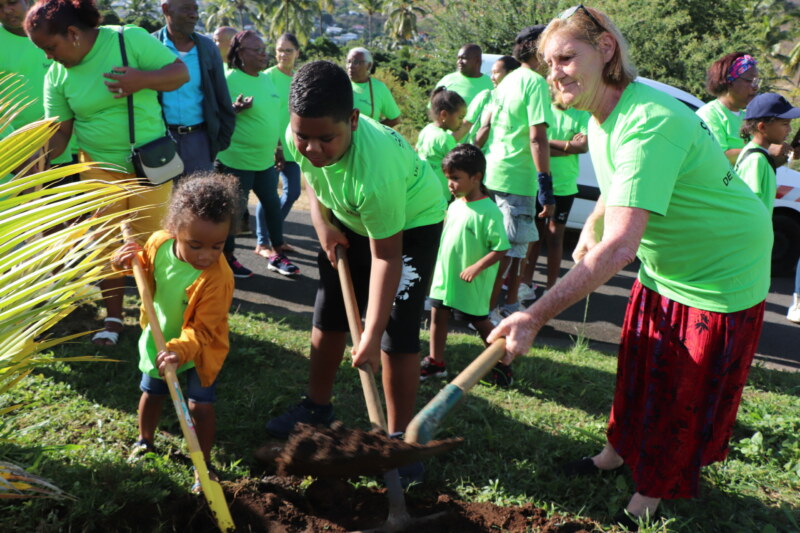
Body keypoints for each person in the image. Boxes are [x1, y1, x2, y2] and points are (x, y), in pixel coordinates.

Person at [489, 6, 772, 530]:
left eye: (568, 58)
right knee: (640, 368)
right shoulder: (603, 116)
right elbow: (620, 189)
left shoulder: (650, 122)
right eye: (550, 64)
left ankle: (647, 499)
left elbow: (621, 249)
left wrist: (532, 316)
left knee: (678, 392)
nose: (556, 73)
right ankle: (613, 456)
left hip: (722, 270)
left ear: (606, 51)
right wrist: (594, 223)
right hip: (668, 265)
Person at [266, 61, 446, 484]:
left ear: (352, 119)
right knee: (329, 310)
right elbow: (311, 177)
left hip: (409, 224)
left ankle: (399, 440)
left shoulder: (376, 170)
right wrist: (323, 224)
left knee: (395, 333)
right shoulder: (301, 135)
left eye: (325, 138)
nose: (311, 148)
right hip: (345, 218)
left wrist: (367, 335)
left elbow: (388, 258)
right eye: (302, 136)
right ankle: (316, 407)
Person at [26, 0, 189, 346]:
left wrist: (142, 79)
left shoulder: (127, 40)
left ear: (72, 33)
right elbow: (59, 133)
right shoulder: (56, 75)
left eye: (50, 47)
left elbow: (179, 73)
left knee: (155, 243)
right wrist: (33, 165)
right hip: (98, 169)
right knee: (107, 246)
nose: (48, 56)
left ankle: (158, 317)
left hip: (149, 166)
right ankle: (113, 317)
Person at [112, 173, 236, 493]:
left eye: (217, 246)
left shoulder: (218, 277)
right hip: (158, 339)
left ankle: (203, 464)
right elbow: (142, 269)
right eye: (195, 245)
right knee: (152, 392)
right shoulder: (159, 242)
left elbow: (203, 329)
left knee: (199, 406)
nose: (206, 255)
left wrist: (180, 352)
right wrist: (121, 261)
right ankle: (145, 441)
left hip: (198, 349)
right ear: (174, 230)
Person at [479, 24, 554, 339]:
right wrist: (546, 189)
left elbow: (488, 128)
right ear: (540, 50)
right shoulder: (535, 84)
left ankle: (506, 305)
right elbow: (538, 139)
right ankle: (491, 312)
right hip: (516, 178)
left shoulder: (506, 82)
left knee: (507, 248)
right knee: (509, 251)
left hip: (494, 173)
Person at [420, 144, 509, 381]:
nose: (450, 183)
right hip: (445, 278)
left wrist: (476, 267)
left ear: (476, 177)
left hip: (470, 282)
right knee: (437, 315)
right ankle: (436, 362)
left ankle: (503, 361)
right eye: (448, 178)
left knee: (480, 323)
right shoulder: (456, 203)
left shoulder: (489, 211)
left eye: (456, 178)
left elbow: (501, 248)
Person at [216, 30, 299, 279]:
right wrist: (234, 109)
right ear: (240, 53)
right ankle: (228, 260)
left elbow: (272, 117)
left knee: (273, 207)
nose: (264, 54)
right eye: (257, 50)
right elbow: (214, 115)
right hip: (235, 160)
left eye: (264, 49)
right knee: (233, 212)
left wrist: (278, 148)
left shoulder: (266, 79)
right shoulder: (228, 79)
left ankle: (276, 254)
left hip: (265, 160)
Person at [154, 0, 235, 178]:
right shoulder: (150, 45)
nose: (194, 14)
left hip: (199, 141)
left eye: (196, 9)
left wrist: (218, 141)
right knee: (165, 202)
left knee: (198, 203)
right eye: (186, 9)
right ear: (166, 9)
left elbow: (222, 96)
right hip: (160, 142)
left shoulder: (207, 48)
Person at [518, 101, 590, 298]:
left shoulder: (581, 113)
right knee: (533, 236)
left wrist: (543, 143)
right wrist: (568, 146)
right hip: (538, 184)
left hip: (564, 187)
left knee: (555, 237)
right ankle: (525, 283)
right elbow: (529, 141)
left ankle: (552, 288)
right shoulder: (542, 109)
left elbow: (583, 146)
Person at [0, 0, 73, 166]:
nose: (7, 11)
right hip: (19, 155)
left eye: (12, 2)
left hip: (69, 147)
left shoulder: (59, 32)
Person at [255, 32, 302, 259]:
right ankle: (263, 242)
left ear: (297, 53)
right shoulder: (267, 77)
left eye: (288, 50)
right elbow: (264, 114)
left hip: (294, 148)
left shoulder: (298, 78)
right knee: (268, 195)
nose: (283, 54)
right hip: (271, 147)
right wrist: (276, 146)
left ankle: (276, 237)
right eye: (280, 50)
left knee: (292, 193)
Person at [696, 52, 788, 167]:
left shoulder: (748, 116)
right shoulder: (710, 114)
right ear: (729, 81)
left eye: (757, 81)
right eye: (750, 81)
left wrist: (786, 153)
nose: (755, 87)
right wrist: (765, 150)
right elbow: (719, 156)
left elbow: (759, 162)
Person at [735, 93, 800, 214]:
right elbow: (747, 207)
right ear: (762, 127)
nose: (790, 129)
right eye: (785, 124)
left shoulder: (760, 155)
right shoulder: (755, 160)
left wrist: (790, 154)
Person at [415, 87, 466, 200]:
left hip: (422, 190)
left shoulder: (426, 130)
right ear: (444, 115)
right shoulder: (445, 138)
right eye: (460, 117)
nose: (462, 123)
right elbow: (459, 166)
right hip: (440, 196)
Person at [460, 55, 520, 145]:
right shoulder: (487, 96)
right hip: (481, 156)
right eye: (491, 73)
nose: (492, 77)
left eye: (496, 73)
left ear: (510, 74)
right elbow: (465, 125)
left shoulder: (522, 101)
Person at [346, 47, 401, 127]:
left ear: (368, 66)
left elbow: (395, 119)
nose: (350, 66)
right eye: (348, 62)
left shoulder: (379, 88)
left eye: (356, 62)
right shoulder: (340, 84)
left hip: (366, 139)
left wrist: (374, 130)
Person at [433, 43, 493, 108]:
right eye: (458, 58)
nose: (459, 62)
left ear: (477, 60)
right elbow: (434, 109)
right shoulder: (447, 80)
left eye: (464, 58)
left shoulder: (491, 84)